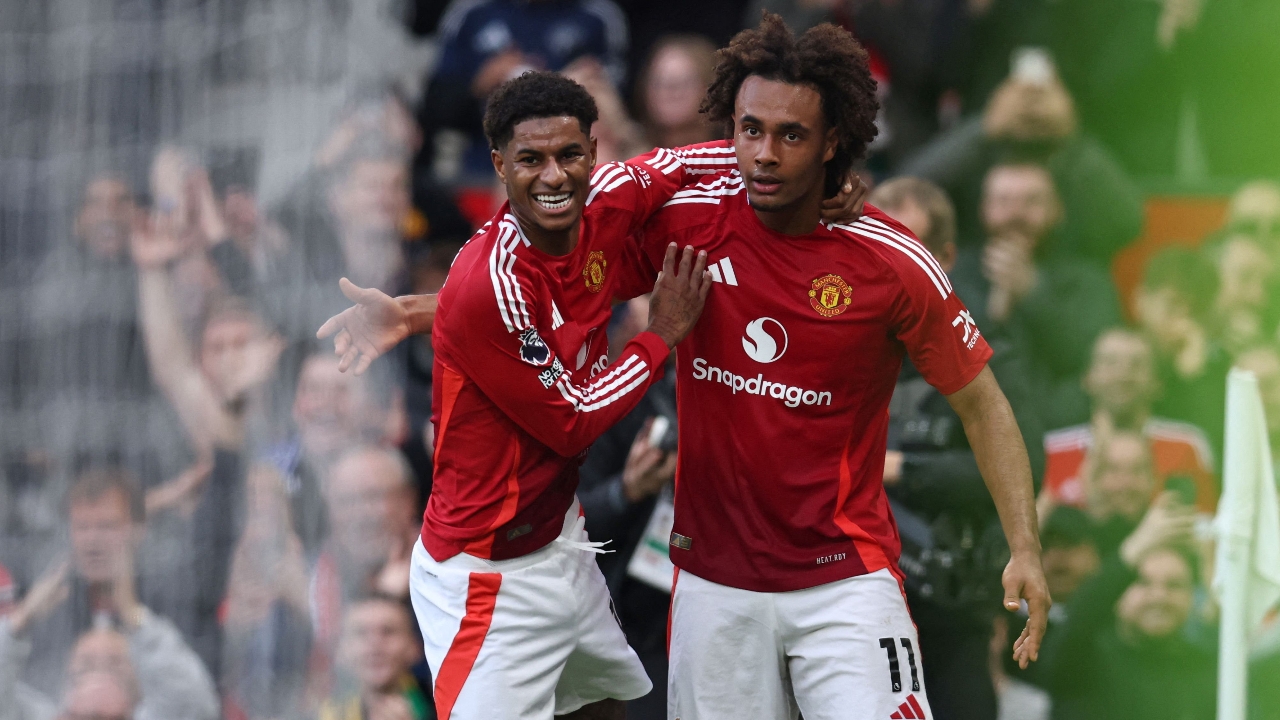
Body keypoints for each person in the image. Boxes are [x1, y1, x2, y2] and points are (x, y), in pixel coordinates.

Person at [612, 16, 1047, 720]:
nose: (765, 154)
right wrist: (431, 310)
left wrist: (1024, 546)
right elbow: (550, 265)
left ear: (833, 141)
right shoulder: (685, 224)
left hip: (844, 583)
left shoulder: (891, 259)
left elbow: (984, 404)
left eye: (792, 136)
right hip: (713, 584)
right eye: (751, 130)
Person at [320, 71, 721, 719]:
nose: (554, 175)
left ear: (593, 152)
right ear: (500, 166)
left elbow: (686, 162)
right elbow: (573, 420)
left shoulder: (610, 197)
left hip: (559, 539)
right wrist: (661, 335)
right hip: (485, 577)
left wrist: (825, 175)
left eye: (569, 155)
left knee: (603, 709)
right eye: (531, 159)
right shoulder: (492, 280)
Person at [874, 177, 1045, 720]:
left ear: (944, 258)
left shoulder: (983, 348)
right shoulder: (830, 342)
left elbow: (1025, 468)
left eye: (906, 246)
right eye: (873, 244)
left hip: (950, 607)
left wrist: (898, 468)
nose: (886, 264)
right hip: (850, 600)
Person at [949, 159, 1120, 431]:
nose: (1016, 214)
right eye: (1003, 201)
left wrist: (1033, 293)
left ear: (1058, 210)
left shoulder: (1088, 281)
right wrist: (994, 312)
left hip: (1065, 429)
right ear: (984, 210)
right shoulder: (954, 277)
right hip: (970, 432)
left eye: (1032, 202)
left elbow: (1099, 362)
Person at [1033, 496, 1213, 720]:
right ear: (1117, 593)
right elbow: (1079, 619)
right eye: (1143, 582)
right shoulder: (1081, 662)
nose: (1159, 597)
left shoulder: (1206, 669)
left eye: (1174, 585)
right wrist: (1135, 547)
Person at [1042, 329, 1216, 516]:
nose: (1122, 375)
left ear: (1157, 383)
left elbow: (1208, 524)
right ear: (1087, 378)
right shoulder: (1053, 450)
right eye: (1110, 363)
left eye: (1137, 365)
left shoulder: (1186, 445)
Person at [1132, 247, 1231, 457]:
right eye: (1172, 304)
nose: (1184, 322)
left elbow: (1212, 452)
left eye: (1195, 311)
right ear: (1140, 301)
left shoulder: (1216, 370)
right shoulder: (1112, 363)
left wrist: (1195, 378)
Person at [320, 595, 435, 720]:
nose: (375, 645)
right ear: (341, 650)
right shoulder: (321, 712)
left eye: (388, 631)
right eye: (361, 633)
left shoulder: (443, 708)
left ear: (414, 646)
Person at [634, 35, 719, 150]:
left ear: (710, 89)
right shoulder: (628, 157)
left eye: (683, 82)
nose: (670, 92)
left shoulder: (735, 154)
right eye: (660, 81)